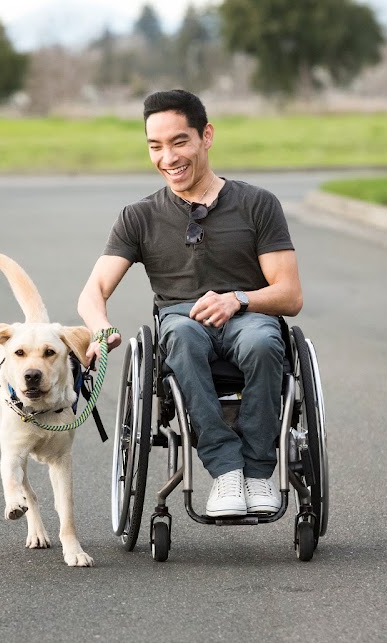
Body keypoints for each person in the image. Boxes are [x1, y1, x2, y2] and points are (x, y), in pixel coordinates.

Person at [78, 89, 303, 517]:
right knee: (179, 336)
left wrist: (237, 299)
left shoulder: (257, 204)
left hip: (249, 313)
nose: (168, 157)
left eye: (179, 141)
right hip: (181, 321)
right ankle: (226, 471)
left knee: (261, 343)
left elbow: (289, 294)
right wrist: (100, 325)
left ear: (206, 137)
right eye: (155, 146)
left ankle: (257, 474)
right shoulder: (138, 217)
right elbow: (93, 291)